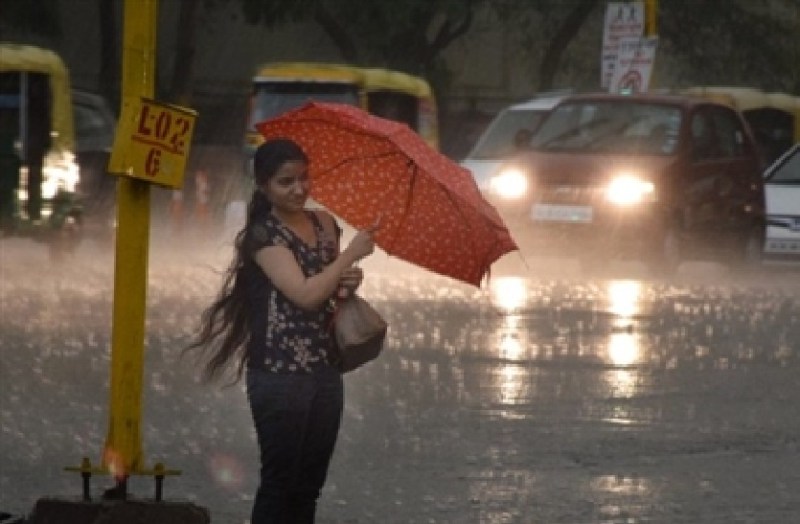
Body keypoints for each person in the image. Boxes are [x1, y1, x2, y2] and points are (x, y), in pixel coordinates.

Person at [184, 138, 378, 523]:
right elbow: (305, 294)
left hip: (325, 370)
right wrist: (350, 256)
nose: (298, 189)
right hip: (279, 373)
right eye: (285, 182)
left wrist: (348, 280)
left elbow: (327, 286)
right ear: (263, 186)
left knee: (309, 485)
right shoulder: (264, 236)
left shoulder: (325, 224)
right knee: (280, 483)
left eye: (304, 178)